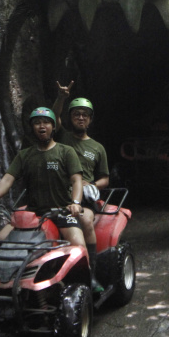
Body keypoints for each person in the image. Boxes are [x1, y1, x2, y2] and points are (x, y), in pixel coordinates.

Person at [0, 107, 86, 249]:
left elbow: (76, 180)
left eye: (46, 122)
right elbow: (7, 180)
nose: (42, 126)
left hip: (63, 212)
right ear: (32, 127)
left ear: (53, 126)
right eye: (37, 123)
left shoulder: (66, 152)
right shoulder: (24, 155)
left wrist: (76, 203)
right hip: (32, 214)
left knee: (78, 245)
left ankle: (90, 270)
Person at [53, 81, 110, 292]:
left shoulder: (97, 148)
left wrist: (91, 184)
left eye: (85, 115)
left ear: (90, 120)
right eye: (76, 114)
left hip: (84, 197)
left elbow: (105, 178)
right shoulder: (63, 137)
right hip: (58, 192)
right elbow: (53, 118)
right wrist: (61, 98)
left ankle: (90, 274)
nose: (80, 117)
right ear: (71, 118)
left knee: (86, 219)